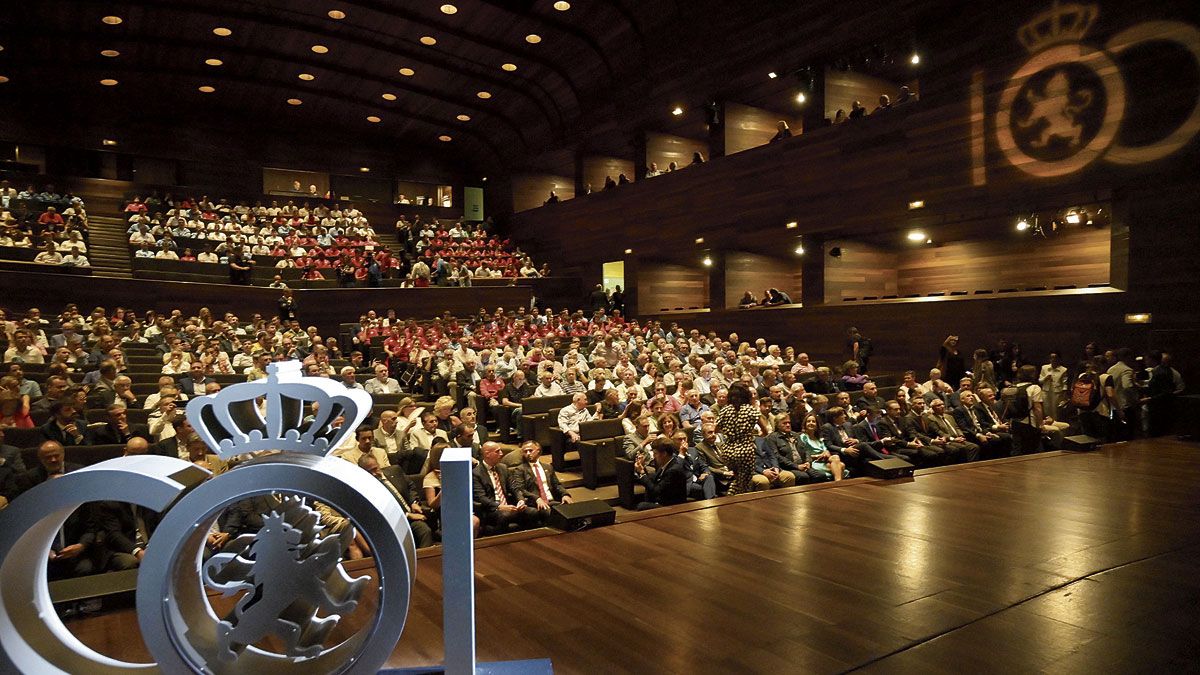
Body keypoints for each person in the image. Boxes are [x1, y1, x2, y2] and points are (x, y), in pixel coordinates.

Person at [358, 454, 434, 548]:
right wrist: (408, 515)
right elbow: (381, 510)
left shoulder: (395, 470)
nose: (374, 474)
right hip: (392, 523)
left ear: (378, 465)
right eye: (369, 472)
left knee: (429, 525)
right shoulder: (365, 489)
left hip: (413, 511)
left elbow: (410, 486)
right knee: (421, 531)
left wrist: (413, 502)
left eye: (375, 469)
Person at [472, 441, 535, 535]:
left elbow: (514, 487)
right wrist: (499, 506)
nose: (501, 454)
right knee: (504, 515)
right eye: (497, 451)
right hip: (491, 509)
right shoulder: (476, 473)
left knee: (532, 512)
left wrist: (520, 500)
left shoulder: (503, 468)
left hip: (509, 505)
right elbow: (481, 497)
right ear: (487, 454)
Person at [510, 440, 572, 524]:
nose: (528, 453)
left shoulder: (548, 467)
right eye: (525, 451)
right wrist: (537, 498)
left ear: (538, 450)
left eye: (530, 450)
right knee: (551, 513)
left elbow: (557, 484)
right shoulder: (519, 470)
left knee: (570, 509)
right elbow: (521, 489)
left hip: (551, 500)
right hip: (534, 503)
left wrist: (565, 494)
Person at [715, 383, 760, 495]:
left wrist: (729, 432)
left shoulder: (725, 410)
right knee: (744, 482)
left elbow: (716, 429)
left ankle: (734, 502)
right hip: (744, 450)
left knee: (738, 479)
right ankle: (732, 500)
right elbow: (765, 430)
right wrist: (750, 434)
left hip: (728, 451)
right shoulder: (750, 410)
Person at [633, 437, 689, 510]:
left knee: (641, 506)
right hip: (662, 500)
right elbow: (653, 479)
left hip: (672, 507)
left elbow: (656, 491)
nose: (653, 456)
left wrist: (642, 473)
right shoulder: (667, 463)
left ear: (664, 454)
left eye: (655, 453)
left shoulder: (673, 470)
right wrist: (642, 468)